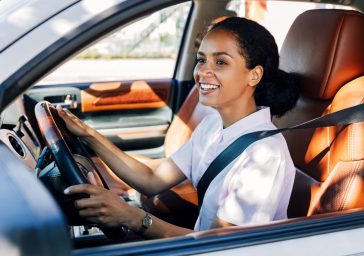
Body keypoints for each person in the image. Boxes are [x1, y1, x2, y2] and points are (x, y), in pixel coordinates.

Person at [59, 17, 299, 239]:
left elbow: (221, 245)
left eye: (221, 62)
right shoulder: (212, 125)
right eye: (201, 59)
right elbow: (152, 179)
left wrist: (132, 216)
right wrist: (88, 134)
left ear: (254, 75)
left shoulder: (265, 154)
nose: (203, 71)